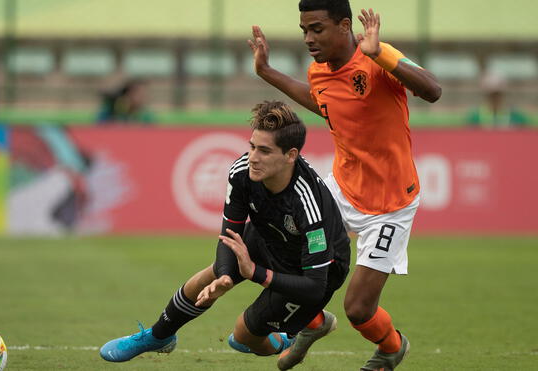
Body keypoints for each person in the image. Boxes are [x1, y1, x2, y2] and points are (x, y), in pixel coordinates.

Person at [247, 1, 442, 370]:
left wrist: (381, 54)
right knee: (270, 242)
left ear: (344, 26)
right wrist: (267, 72)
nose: (308, 38)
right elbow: (321, 102)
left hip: (390, 205)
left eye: (317, 29)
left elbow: (433, 90)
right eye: (304, 29)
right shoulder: (319, 71)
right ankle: (312, 322)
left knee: (358, 309)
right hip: (340, 190)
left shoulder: (377, 58)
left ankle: (391, 347)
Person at [99, 100, 351, 369]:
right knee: (214, 272)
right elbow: (229, 233)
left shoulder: (307, 204)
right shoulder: (242, 172)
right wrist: (227, 276)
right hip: (269, 236)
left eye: (264, 151)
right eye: (252, 146)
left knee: (242, 338)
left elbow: (315, 285)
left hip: (314, 269)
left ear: (290, 155)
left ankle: (299, 329)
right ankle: (158, 336)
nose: (253, 157)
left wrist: (255, 272)